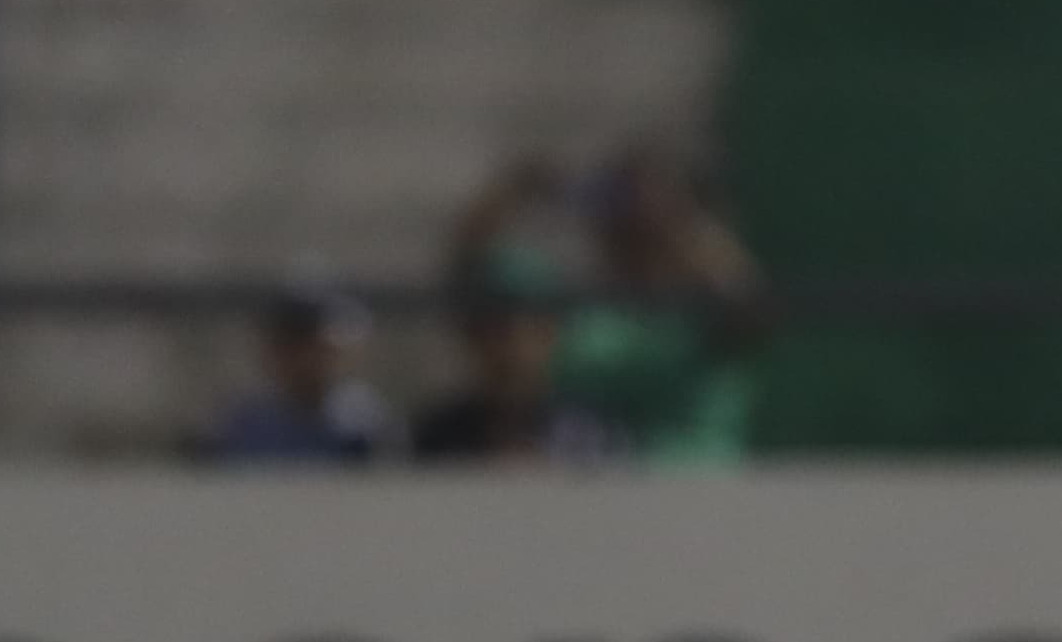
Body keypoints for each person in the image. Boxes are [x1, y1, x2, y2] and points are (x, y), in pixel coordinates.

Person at [449, 154, 768, 465]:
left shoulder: (699, 310)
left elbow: (753, 314)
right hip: (597, 483)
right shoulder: (579, 312)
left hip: (697, 481)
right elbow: (472, 262)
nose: (628, 231)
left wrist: (679, 222)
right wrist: (522, 188)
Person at [412, 244, 628, 464]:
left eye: (531, 326)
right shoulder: (438, 435)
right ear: (471, 336)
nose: (510, 347)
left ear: (552, 333)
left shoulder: (591, 432)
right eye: (494, 328)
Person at [203, 281, 402, 467]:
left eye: (312, 343)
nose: (304, 357)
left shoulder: (364, 423)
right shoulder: (244, 424)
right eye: (291, 343)